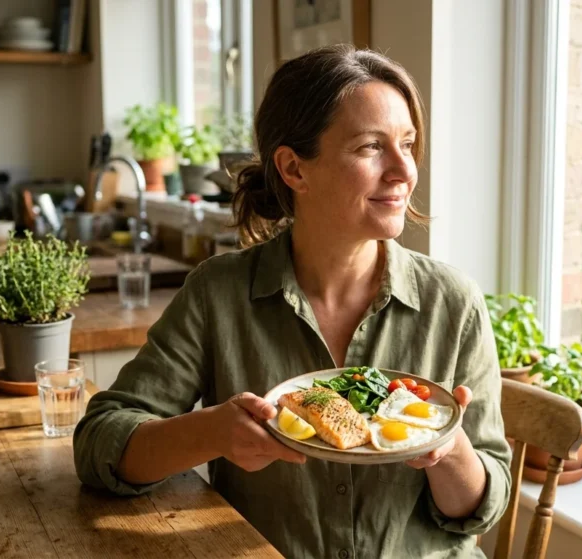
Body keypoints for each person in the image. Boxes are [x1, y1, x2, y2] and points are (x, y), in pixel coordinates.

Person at [73, 44, 511, 558]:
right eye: (372, 147)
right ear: (293, 169)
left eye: (408, 144)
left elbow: (483, 506)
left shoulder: (454, 303)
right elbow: (99, 443)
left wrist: (447, 447)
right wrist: (211, 432)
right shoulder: (218, 294)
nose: (403, 171)